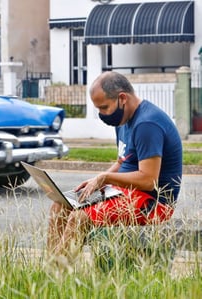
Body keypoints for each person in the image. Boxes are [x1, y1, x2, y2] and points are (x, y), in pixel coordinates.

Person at [47, 71, 183, 258]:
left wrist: (105, 178)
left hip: (153, 203)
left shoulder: (147, 124)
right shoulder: (123, 120)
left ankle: (56, 274)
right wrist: (97, 180)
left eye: (104, 108)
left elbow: (148, 180)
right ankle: (51, 269)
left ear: (122, 98)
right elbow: (122, 161)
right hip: (123, 191)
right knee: (59, 206)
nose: (102, 114)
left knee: (80, 218)